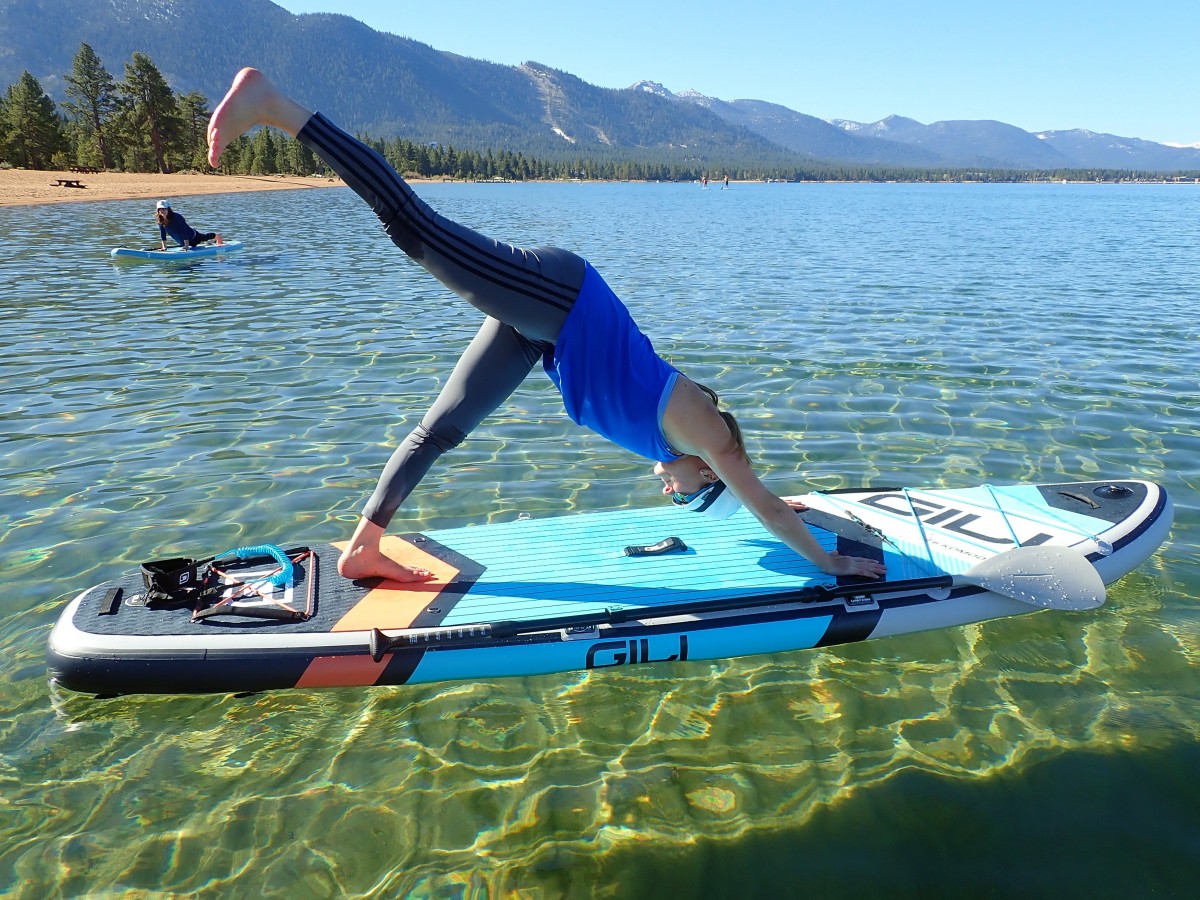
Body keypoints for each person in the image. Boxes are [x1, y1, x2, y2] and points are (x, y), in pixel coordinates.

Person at [207, 68, 887, 586]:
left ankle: (364, 544)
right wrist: (831, 564)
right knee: (415, 229)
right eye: (686, 495)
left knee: (441, 428)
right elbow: (760, 501)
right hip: (563, 296)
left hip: (550, 334)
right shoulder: (706, 431)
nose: (667, 490)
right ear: (707, 471)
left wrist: (786, 503)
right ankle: (275, 105)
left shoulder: (698, 443)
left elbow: (765, 498)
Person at [155, 200, 223, 251]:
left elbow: (184, 231)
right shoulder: (160, 220)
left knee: (204, 237)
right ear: (158, 210)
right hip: (182, 242)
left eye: (164, 209)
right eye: (160, 209)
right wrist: (164, 247)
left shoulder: (177, 217)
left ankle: (217, 235)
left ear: (168, 209)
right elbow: (163, 234)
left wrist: (186, 246)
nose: (162, 211)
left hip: (193, 237)